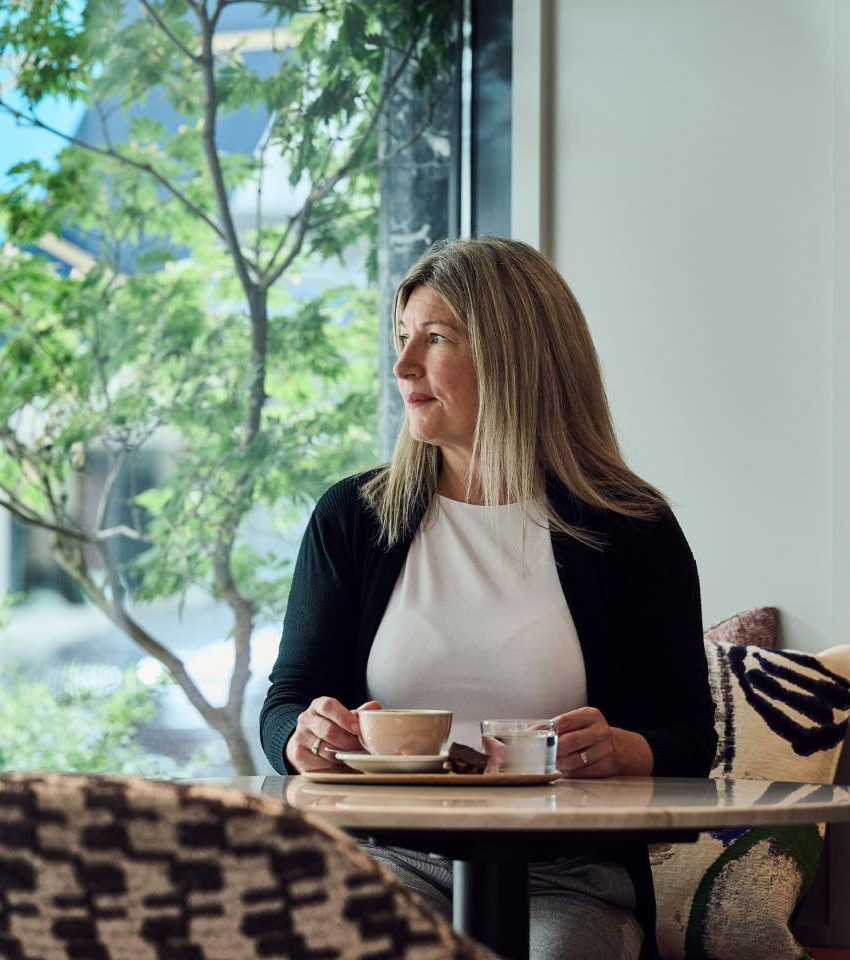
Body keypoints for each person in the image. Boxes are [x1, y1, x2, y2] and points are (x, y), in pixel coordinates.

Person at [260, 236, 716, 960]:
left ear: (515, 357)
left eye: (435, 339)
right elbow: (290, 696)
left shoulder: (633, 529)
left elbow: (692, 737)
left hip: (571, 874)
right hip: (384, 858)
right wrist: (301, 735)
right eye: (402, 338)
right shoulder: (352, 517)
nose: (402, 365)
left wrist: (623, 750)